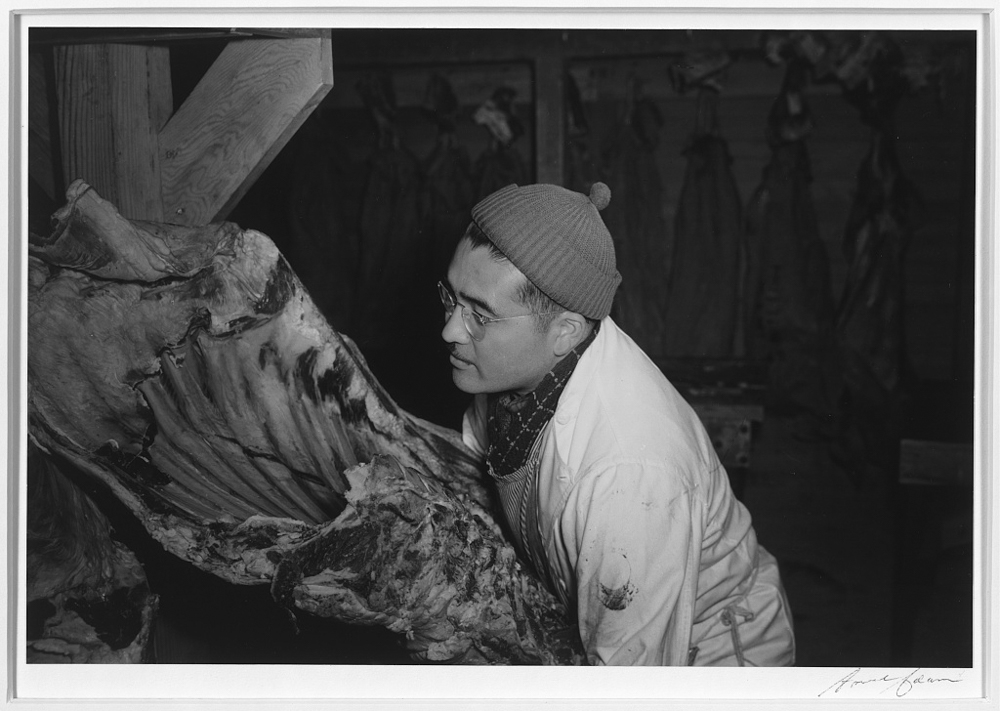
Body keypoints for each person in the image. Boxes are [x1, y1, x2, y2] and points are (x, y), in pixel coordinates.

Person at [439, 181, 796, 666]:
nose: (450, 330)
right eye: (451, 298)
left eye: (479, 315)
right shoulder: (510, 373)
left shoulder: (629, 472)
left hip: (709, 660)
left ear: (565, 330)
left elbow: (630, 681)